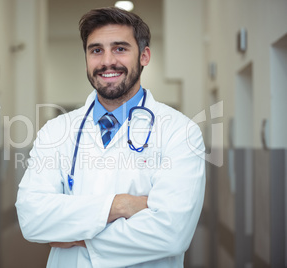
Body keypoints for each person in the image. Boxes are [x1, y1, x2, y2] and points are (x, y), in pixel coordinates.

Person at [16, 6, 205, 268]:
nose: (107, 61)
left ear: (144, 56)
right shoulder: (56, 131)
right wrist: (121, 205)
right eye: (96, 50)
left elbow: (172, 233)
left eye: (120, 48)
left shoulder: (180, 132)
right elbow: (32, 218)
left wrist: (77, 236)